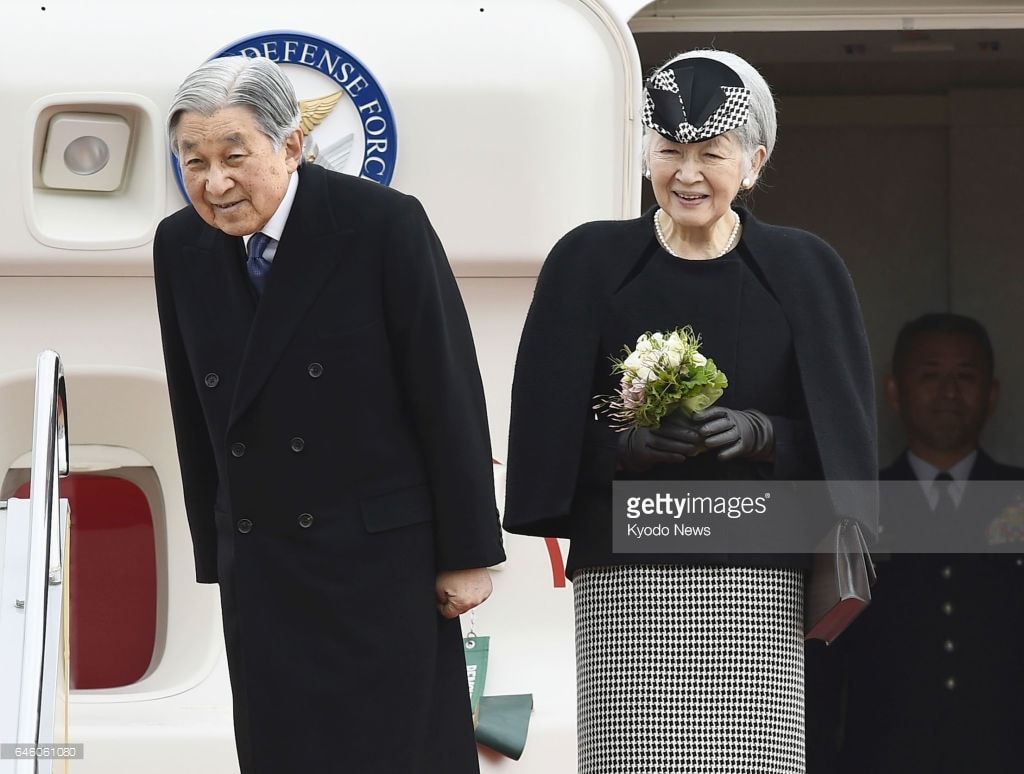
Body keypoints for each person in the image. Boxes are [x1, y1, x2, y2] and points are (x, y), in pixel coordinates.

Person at [503, 49, 876, 773]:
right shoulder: (588, 262)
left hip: (758, 575)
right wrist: (622, 447)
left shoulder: (804, 268)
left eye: (711, 152)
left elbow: (849, 448)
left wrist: (766, 434)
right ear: (645, 154)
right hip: (627, 577)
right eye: (669, 150)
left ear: (756, 160)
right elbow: (543, 437)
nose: (688, 173)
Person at [153, 55, 505, 774]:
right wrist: (216, 549)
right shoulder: (179, 245)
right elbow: (197, 410)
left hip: (377, 564)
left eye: (233, 156)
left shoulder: (380, 225)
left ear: (290, 146)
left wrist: (468, 554)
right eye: (194, 161)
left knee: (395, 753)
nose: (214, 183)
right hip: (263, 561)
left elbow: (447, 392)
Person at [837, 313, 1024, 772]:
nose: (949, 392)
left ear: (992, 393)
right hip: (881, 758)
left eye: (965, 376)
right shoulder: (854, 506)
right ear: (894, 392)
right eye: (930, 375)